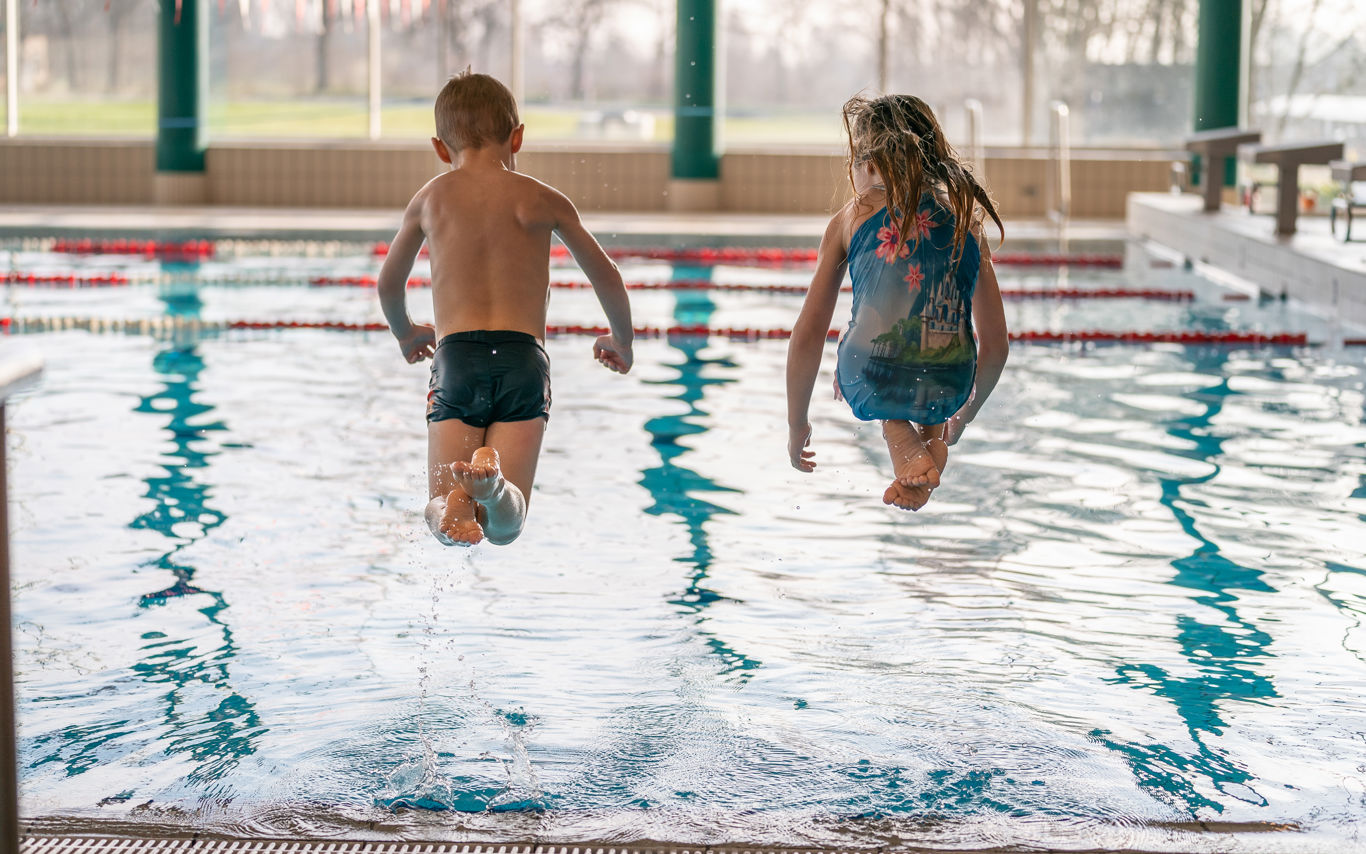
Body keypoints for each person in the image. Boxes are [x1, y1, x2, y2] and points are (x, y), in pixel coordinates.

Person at [378, 71, 634, 546]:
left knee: (439, 510)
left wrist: (407, 333)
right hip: (523, 362)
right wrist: (622, 340)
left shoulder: (430, 199)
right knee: (505, 530)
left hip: (455, 360)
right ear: (517, 136)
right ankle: (493, 488)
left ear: (439, 148)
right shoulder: (542, 198)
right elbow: (608, 276)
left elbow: (389, 284)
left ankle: (455, 502)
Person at [786, 93, 1009, 511]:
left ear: (868, 164)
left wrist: (797, 422)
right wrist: (967, 411)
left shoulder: (851, 218)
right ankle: (931, 439)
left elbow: (808, 334)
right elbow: (996, 345)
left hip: (870, 378)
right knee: (930, 354)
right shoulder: (965, 220)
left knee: (875, 347)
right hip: (951, 382)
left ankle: (897, 433)